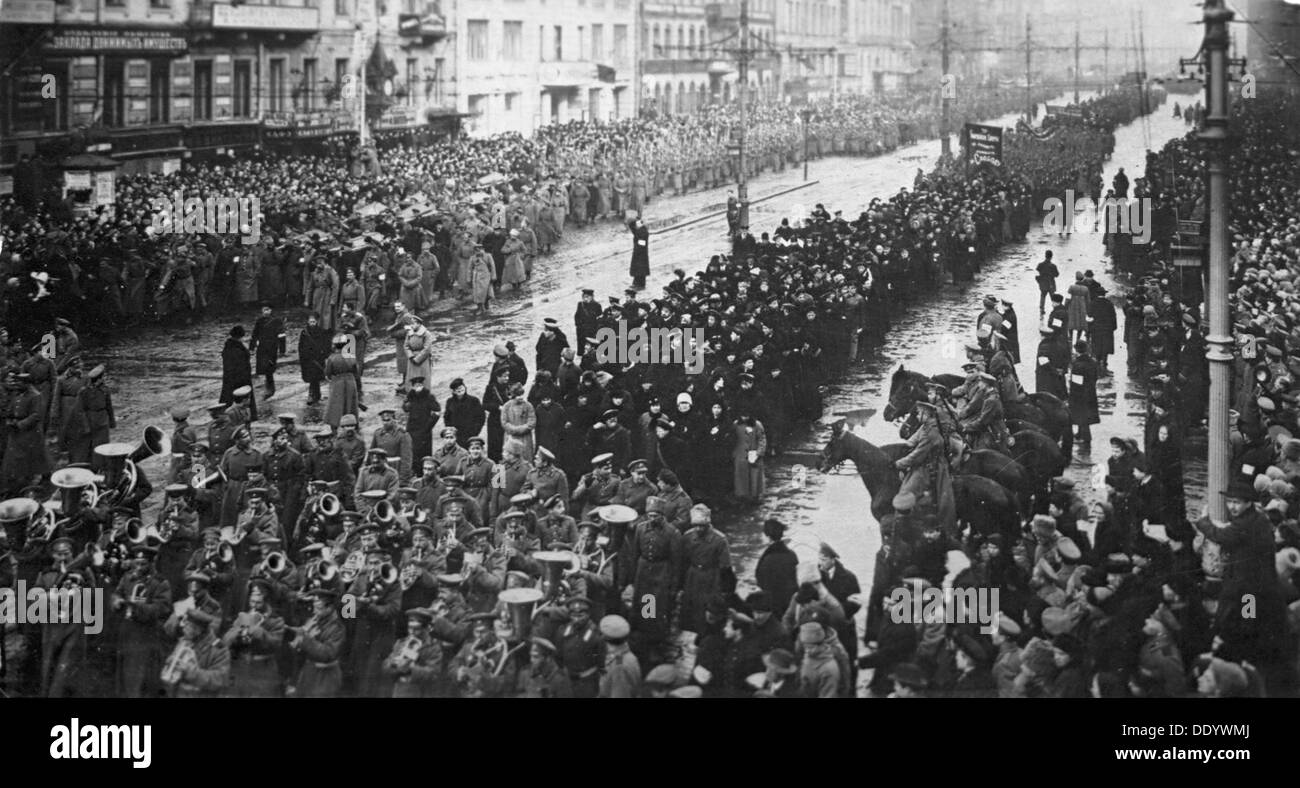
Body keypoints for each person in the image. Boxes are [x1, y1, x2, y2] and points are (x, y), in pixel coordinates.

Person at [1068, 340, 1100, 451]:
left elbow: (1076, 383)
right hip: (1090, 392)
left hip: (1079, 395)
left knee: (1082, 417)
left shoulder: (1077, 365)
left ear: (1076, 350)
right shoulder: (1092, 362)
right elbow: (1096, 377)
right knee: (1085, 415)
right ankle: (1080, 433)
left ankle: (1087, 438)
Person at [249, 303, 286, 398]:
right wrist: (252, 347)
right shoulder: (259, 321)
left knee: (269, 367)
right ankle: (268, 385)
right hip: (262, 347)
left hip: (272, 347)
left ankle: (270, 387)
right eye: (264, 310)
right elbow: (255, 334)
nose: (266, 312)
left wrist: (282, 350)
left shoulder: (277, 321)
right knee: (263, 367)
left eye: (268, 309)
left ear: (271, 310)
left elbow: (282, 336)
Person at [298, 313, 333, 406]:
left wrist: (324, 354)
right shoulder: (304, 332)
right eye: (310, 322)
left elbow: (326, 344)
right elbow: (301, 346)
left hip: (318, 359)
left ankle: (313, 395)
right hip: (308, 359)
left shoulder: (321, 331)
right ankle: (314, 394)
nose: (312, 323)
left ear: (316, 322)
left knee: (315, 377)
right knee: (312, 377)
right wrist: (303, 356)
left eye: (314, 321)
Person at [628, 215, 650, 289]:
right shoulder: (640, 230)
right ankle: (636, 283)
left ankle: (641, 285)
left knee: (641, 270)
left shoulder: (643, 232)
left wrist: (637, 250)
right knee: (637, 269)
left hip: (641, 254)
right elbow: (633, 229)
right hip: (638, 253)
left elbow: (642, 243)